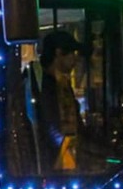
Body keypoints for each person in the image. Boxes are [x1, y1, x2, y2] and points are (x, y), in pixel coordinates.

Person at [37, 30, 91, 171]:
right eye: (72, 53)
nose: (76, 59)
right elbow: (53, 127)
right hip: (57, 165)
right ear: (58, 53)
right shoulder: (44, 86)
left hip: (65, 161)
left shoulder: (61, 83)